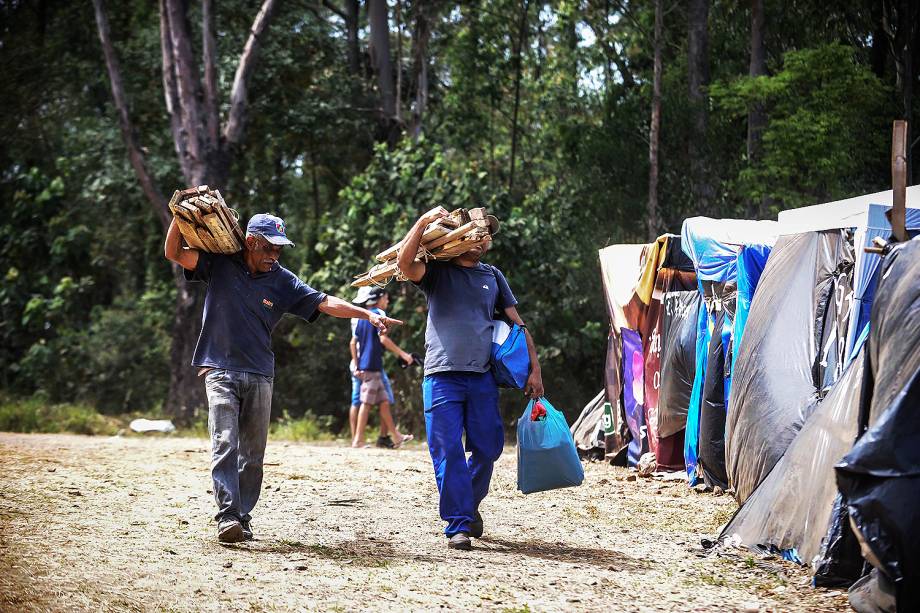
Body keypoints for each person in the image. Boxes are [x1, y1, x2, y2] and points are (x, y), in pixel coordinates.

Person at [164, 212, 402, 544]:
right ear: (251, 242)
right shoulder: (219, 264)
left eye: (279, 250)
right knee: (225, 442)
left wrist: (367, 313)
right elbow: (174, 252)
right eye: (269, 248)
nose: (275, 256)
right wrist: (180, 212)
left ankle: (242, 516)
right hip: (219, 369)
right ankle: (228, 515)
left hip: (261, 373)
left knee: (253, 454)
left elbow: (324, 301)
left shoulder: (282, 280)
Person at [396, 206, 543, 551]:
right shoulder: (436, 272)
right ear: (459, 236)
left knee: (488, 447)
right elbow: (405, 265)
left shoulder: (492, 276)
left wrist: (534, 368)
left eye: (486, 234)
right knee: (447, 450)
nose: (481, 239)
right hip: (441, 376)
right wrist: (422, 222)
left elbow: (518, 324)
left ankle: (468, 505)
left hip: (481, 378)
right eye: (474, 232)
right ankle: (459, 523)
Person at [347, 287, 414, 448]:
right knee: (366, 403)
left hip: (369, 364)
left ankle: (396, 436)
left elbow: (353, 342)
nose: (388, 301)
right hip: (371, 365)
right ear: (380, 298)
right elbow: (383, 339)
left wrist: (356, 364)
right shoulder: (378, 314)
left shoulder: (362, 316)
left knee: (384, 401)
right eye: (386, 298)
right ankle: (357, 440)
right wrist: (404, 355)